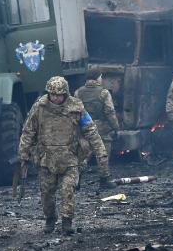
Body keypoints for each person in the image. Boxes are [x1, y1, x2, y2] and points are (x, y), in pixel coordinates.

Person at [18, 76, 110, 235]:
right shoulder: (39, 107)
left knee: (68, 191)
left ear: (65, 94)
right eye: (53, 94)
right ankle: (50, 219)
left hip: (70, 158)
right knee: (46, 194)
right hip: (46, 158)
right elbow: (28, 131)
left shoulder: (76, 107)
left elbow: (91, 130)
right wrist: (23, 153)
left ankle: (67, 221)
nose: (55, 97)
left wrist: (100, 152)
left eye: (59, 95)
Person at [75, 66, 120, 164]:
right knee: (103, 153)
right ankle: (104, 175)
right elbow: (110, 112)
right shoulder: (104, 93)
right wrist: (116, 128)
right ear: (97, 78)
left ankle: (79, 172)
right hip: (101, 128)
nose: (101, 79)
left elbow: (75, 112)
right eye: (100, 77)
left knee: (83, 153)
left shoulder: (78, 92)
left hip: (84, 127)